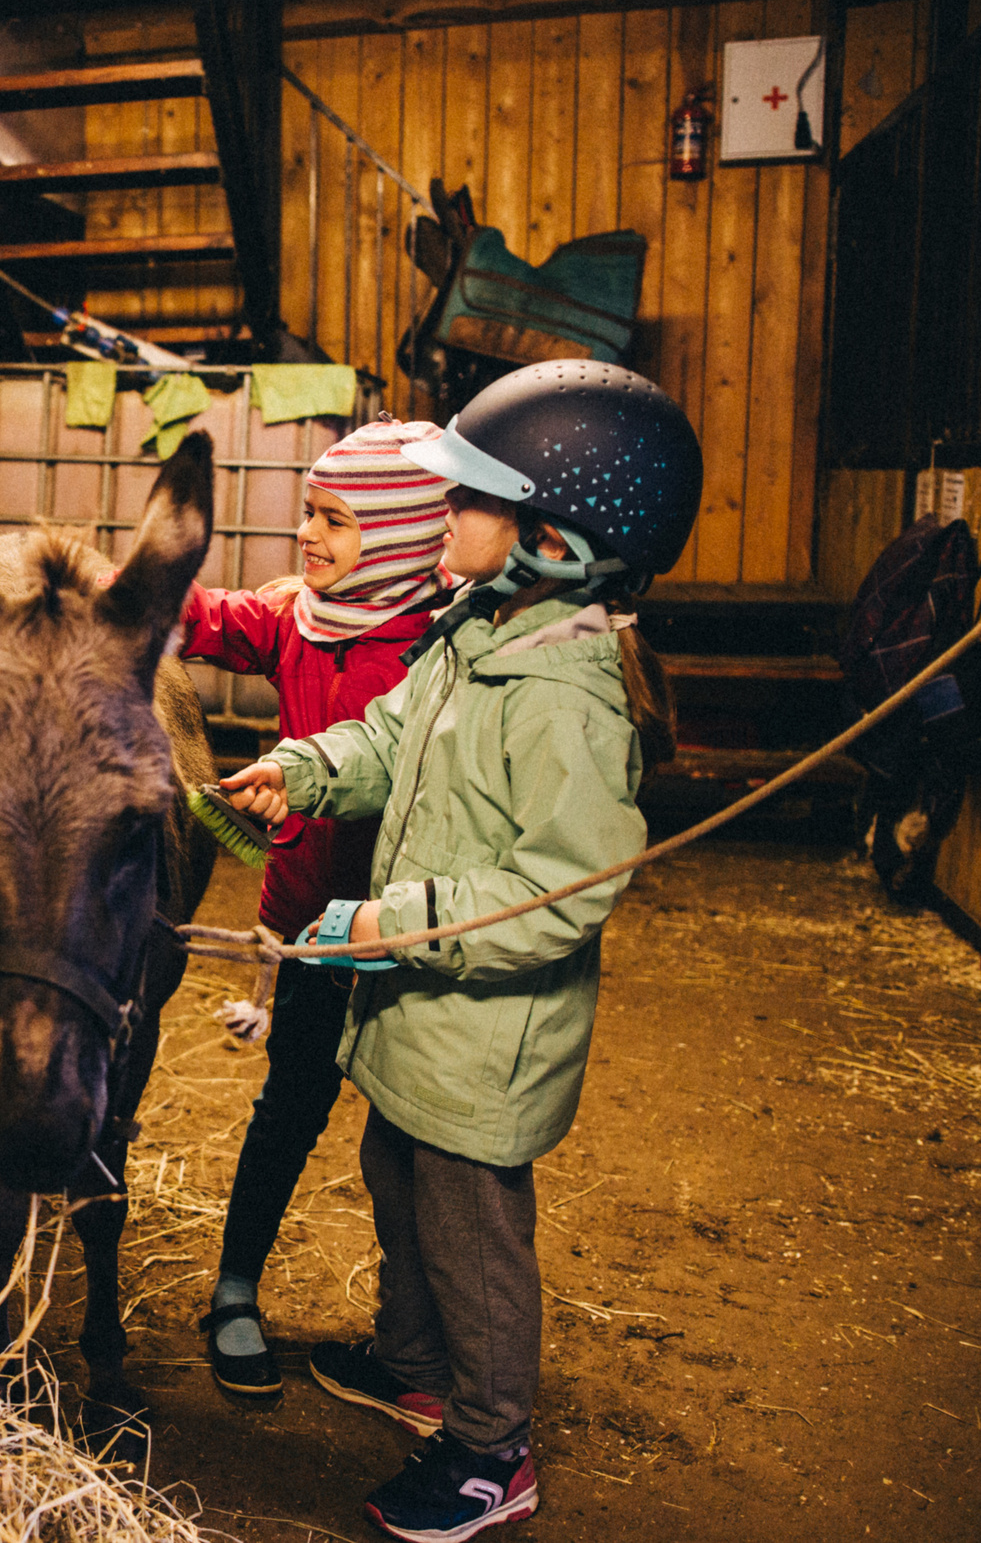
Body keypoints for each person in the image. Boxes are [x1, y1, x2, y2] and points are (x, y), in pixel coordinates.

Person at [217, 362, 700, 1543]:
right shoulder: (472, 628)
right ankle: (411, 1362)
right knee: (397, 1182)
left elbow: (560, 886)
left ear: (553, 534)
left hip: (481, 1031)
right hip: (420, 1016)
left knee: (471, 1237)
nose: (445, 517)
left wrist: (395, 921)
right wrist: (306, 770)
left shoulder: (563, 693)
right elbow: (386, 739)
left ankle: (489, 1449)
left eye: (468, 498)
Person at [176, 420, 454, 1400]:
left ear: (408, 537)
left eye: (337, 522)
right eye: (309, 514)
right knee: (289, 1103)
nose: (309, 536)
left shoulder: (438, 653)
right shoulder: (297, 620)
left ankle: (412, 1339)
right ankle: (235, 1290)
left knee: (411, 1136)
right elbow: (208, 621)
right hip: (307, 928)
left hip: (409, 933)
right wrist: (129, 583)